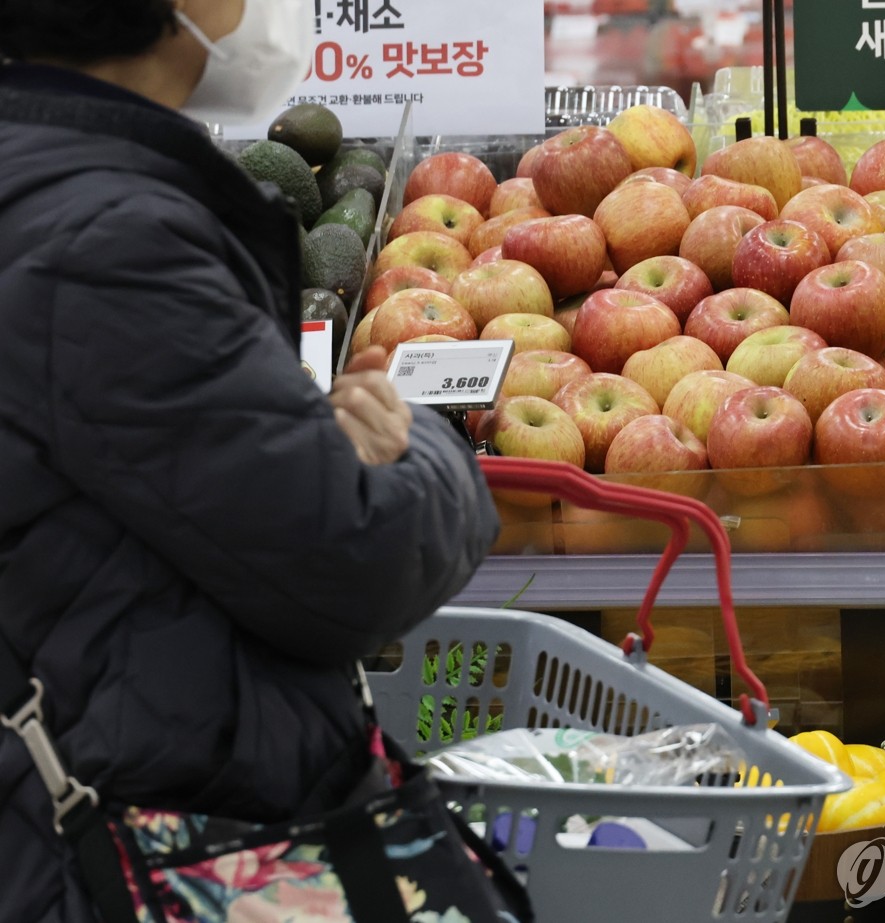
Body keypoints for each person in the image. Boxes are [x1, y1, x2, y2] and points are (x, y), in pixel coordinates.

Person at [0, 1, 501, 920]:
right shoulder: (110, 243)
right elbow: (351, 552)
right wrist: (426, 439)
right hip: (145, 847)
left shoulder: (47, 186)